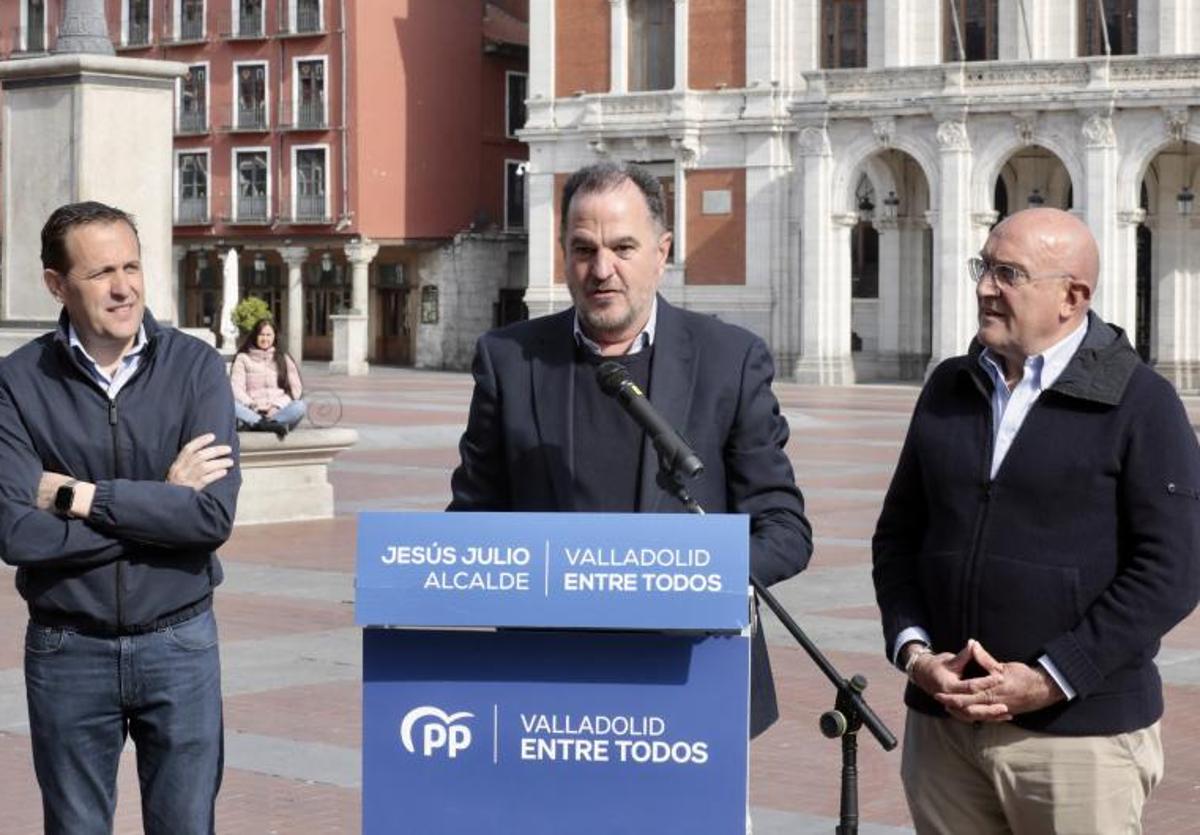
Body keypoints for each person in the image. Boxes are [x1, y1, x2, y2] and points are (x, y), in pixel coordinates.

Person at [448, 160, 813, 739]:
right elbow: (471, 521)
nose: (602, 270)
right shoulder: (508, 361)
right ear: (564, 254)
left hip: (690, 685)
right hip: (546, 691)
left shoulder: (731, 360)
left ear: (662, 251)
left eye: (623, 247)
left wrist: (689, 578)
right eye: (583, 249)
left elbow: (784, 529)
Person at [872, 207, 1200, 834]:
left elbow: (1172, 571)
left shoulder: (1142, 403)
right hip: (945, 733)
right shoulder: (948, 386)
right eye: (984, 267)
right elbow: (898, 536)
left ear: (1072, 298)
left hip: (1078, 741)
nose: (984, 287)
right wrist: (916, 654)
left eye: (1008, 273)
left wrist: (1052, 677)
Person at [0, 201, 240, 835]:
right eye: (101, 271)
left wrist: (79, 497)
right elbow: (17, 533)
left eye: (132, 265)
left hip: (180, 641)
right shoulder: (15, 383)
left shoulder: (196, 368)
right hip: (67, 646)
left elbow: (210, 518)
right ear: (56, 284)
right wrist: (160, 502)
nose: (123, 286)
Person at [230, 317, 306, 438]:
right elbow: (236, 388)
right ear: (255, 335)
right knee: (231, 405)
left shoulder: (283, 357)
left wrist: (276, 406)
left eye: (268, 335)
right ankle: (263, 424)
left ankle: (263, 425)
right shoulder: (243, 358)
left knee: (300, 406)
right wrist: (253, 405)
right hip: (252, 411)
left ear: (274, 336)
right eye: (261, 335)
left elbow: (295, 390)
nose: (265, 338)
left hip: (279, 412)